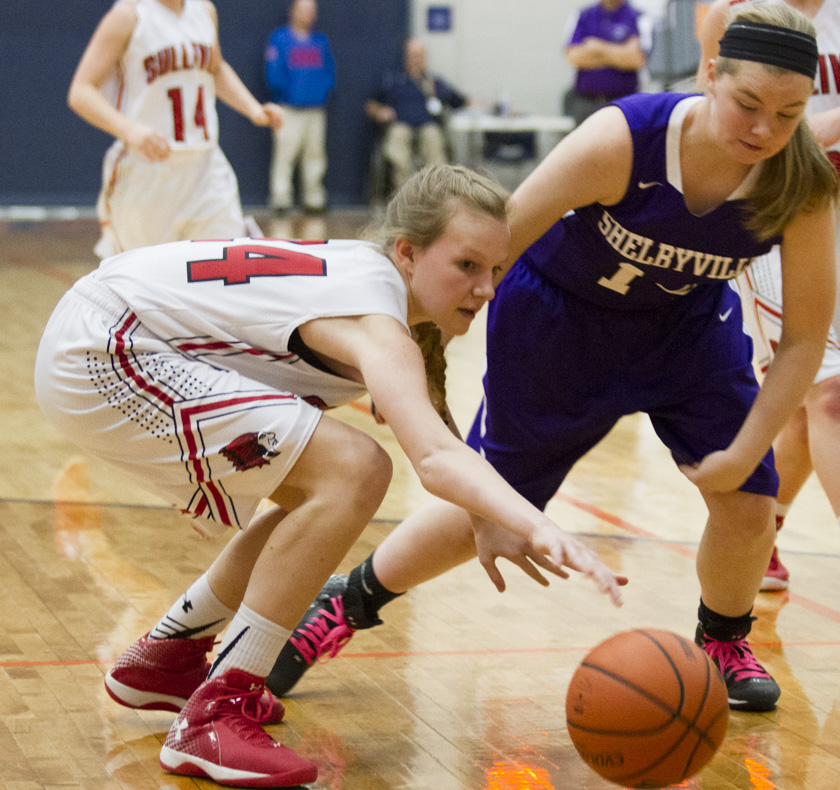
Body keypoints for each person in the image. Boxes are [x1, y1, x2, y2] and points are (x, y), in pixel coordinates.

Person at [265, 4, 839, 714]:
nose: (763, 130)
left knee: (749, 504)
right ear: (711, 74)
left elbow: (806, 340)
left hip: (686, 328)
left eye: (787, 115)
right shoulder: (624, 139)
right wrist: (421, 363)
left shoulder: (799, 180)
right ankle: (349, 602)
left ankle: (723, 637)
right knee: (500, 502)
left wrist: (747, 451)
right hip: (557, 325)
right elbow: (493, 249)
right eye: (748, 104)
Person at [33, 164, 626, 788]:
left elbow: (435, 423)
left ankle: (164, 661)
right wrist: (536, 524)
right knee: (356, 470)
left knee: (318, 487)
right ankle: (218, 713)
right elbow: (433, 459)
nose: (486, 288)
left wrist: (485, 517)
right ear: (407, 252)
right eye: (467, 266)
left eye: (497, 270)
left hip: (105, 330)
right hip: (107, 346)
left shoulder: (378, 289)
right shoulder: (377, 317)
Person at [697, 0, 840, 592]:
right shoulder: (734, 16)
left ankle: (760, 529)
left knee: (808, 416)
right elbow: (740, 133)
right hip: (778, 213)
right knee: (830, 393)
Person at [68, 0, 284, 258]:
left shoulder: (205, 11)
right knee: (142, 281)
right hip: (148, 170)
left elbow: (215, 69)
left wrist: (253, 109)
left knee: (226, 268)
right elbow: (81, 91)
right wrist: (129, 130)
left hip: (206, 168)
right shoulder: (128, 16)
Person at [366, 38, 468, 194]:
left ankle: (435, 194)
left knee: (432, 137)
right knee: (398, 138)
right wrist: (380, 112)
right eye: (412, 55)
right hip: (401, 125)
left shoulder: (434, 83)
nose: (415, 59)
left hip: (427, 127)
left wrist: (498, 108)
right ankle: (406, 193)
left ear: (425, 58)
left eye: (419, 55)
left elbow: (463, 101)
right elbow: (371, 105)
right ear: (406, 57)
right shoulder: (393, 80)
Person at [264, 0, 335, 215]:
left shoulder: (320, 41)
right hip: (288, 108)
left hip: (315, 108)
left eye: (312, 10)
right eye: (304, 10)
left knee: (315, 155)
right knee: (285, 154)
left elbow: (329, 71)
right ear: (293, 11)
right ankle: (281, 198)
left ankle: (314, 199)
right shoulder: (280, 39)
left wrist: (321, 93)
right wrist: (286, 94)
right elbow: (273, 72)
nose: (309, 14)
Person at [564, 0, 647, 128]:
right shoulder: (583, 15)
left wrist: (596, 48)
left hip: (624, 103)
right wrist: (620, 54)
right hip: (587, 103)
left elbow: (635, 59)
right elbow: (574, 57)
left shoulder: (637, 16)